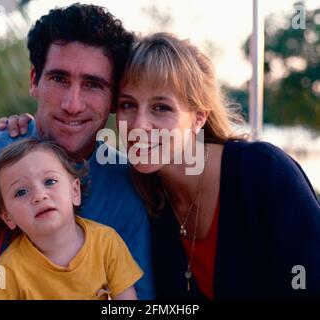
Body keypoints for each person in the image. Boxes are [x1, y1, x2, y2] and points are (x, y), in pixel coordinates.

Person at [114, 33, 320, 299]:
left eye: (161, 108)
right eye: (128, 104)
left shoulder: (263, 173)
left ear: (199, 118)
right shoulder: (145, 199)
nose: (139, 125)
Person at [0, 4, 154, 299]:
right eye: (59, 79)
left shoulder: (129, 192)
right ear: (34, 80)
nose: (72, 104)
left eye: (93, 84)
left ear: (113, 99)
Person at [0, 138, 142, 299]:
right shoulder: (8, 269)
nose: (39, 196)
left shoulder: (107, 242)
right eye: (21, 192)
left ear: (75, 192)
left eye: (50, 181)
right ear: (8, 217)